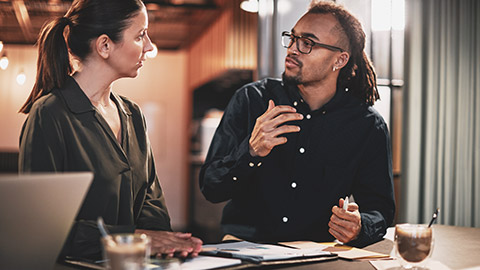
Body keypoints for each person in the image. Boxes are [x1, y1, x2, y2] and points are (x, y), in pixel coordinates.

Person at [200, 0, 395, 247]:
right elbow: (211, 188)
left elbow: (380, 210)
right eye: (292, 39)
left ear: (340, 60)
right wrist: (250, 151)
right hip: (245, 247)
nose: (292, 49)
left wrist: (359, 226)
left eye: (307, 43)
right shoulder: (251, 100)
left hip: (318, 254)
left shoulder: (367, 126)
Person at [18, 0, 202, 260]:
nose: (149, 47)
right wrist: (137, 238)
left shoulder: (133, 114)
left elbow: (151, 199)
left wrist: (167, 244)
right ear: (104, 45)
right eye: (140, 36)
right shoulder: (49, 115)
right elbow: (40, 228)